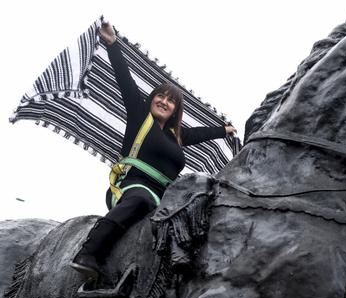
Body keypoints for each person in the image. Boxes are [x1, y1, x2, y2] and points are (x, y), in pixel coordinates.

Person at [70, 23, 236, 279]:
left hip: (166, 197)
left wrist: (223, 130)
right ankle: (88, 252)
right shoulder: (140, 117)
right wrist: (113, 44)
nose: (164, 101)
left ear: (174, 111)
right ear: (152, 99)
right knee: (141, 201)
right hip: (133, 188)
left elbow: (200, 133)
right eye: (161, 96)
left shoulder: (177, 135)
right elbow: (125, 80)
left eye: (171, 101)